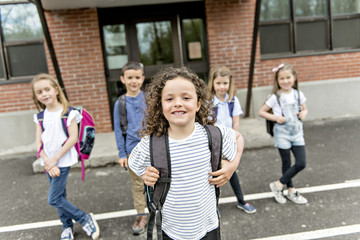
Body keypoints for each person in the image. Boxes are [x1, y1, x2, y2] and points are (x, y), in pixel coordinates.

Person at [129, 66, 244, 240]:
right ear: (160, 105)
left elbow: (238, 137)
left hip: (208, 225)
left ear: (198, 104)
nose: (177, 103)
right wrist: (145, 173)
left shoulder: (211, 135)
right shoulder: (152, 142)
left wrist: (231, 166)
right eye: (169, 98)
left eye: (186, 97)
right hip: (172, 230)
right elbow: (134, 162)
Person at [31, 74, 100, 240]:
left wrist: (55, 160)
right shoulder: (40, 117)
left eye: (47, 89)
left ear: (56, 90)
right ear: (36, 96)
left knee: (53, 199)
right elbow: (38, 143)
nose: (44, 94)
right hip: (48, 162)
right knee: (60, 196)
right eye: (39, 92)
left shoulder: (69, 113)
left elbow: (73, 138)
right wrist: (47, 160)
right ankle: (67, 227)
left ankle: (84, 218)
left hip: (62, 160)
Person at [208, 66, 256, 214]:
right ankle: (212, 206)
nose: (222, 87)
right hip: (213, 144)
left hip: (228, 144)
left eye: (225, 83)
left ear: (230, 84)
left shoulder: (233, 101)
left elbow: (235, 124)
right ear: (212, 83)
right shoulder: (208, 102)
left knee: (231, 171)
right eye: (218, 83)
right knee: (212, 176)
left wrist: (234, 141)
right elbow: (207, 124)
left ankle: (241, 201)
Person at [258, 63, 308, 205]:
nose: (285, 81)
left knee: (301, 163)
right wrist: (275, 117)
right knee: (286, 162)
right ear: (277, 80)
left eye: (288, 78)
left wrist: (303, 113)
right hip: (282, 133)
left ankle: (278, 185)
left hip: (297, 133)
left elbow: (305, 109)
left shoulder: (298, 94)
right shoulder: (275, 97)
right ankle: (291, 190)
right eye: (282, 79)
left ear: (294, 78)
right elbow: (261, 112)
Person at [113, 61, 148, 235]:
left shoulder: (149, 99)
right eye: (130, 78)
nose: (134, 81)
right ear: (123, 79)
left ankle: (164, 211)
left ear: (142, 78)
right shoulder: (120, 103)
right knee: (137, 185)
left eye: (137, 77)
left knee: (158, 180)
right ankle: (142, 215)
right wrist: (122, 153)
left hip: (151, 149)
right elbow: (118, 130)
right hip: (132, 151)